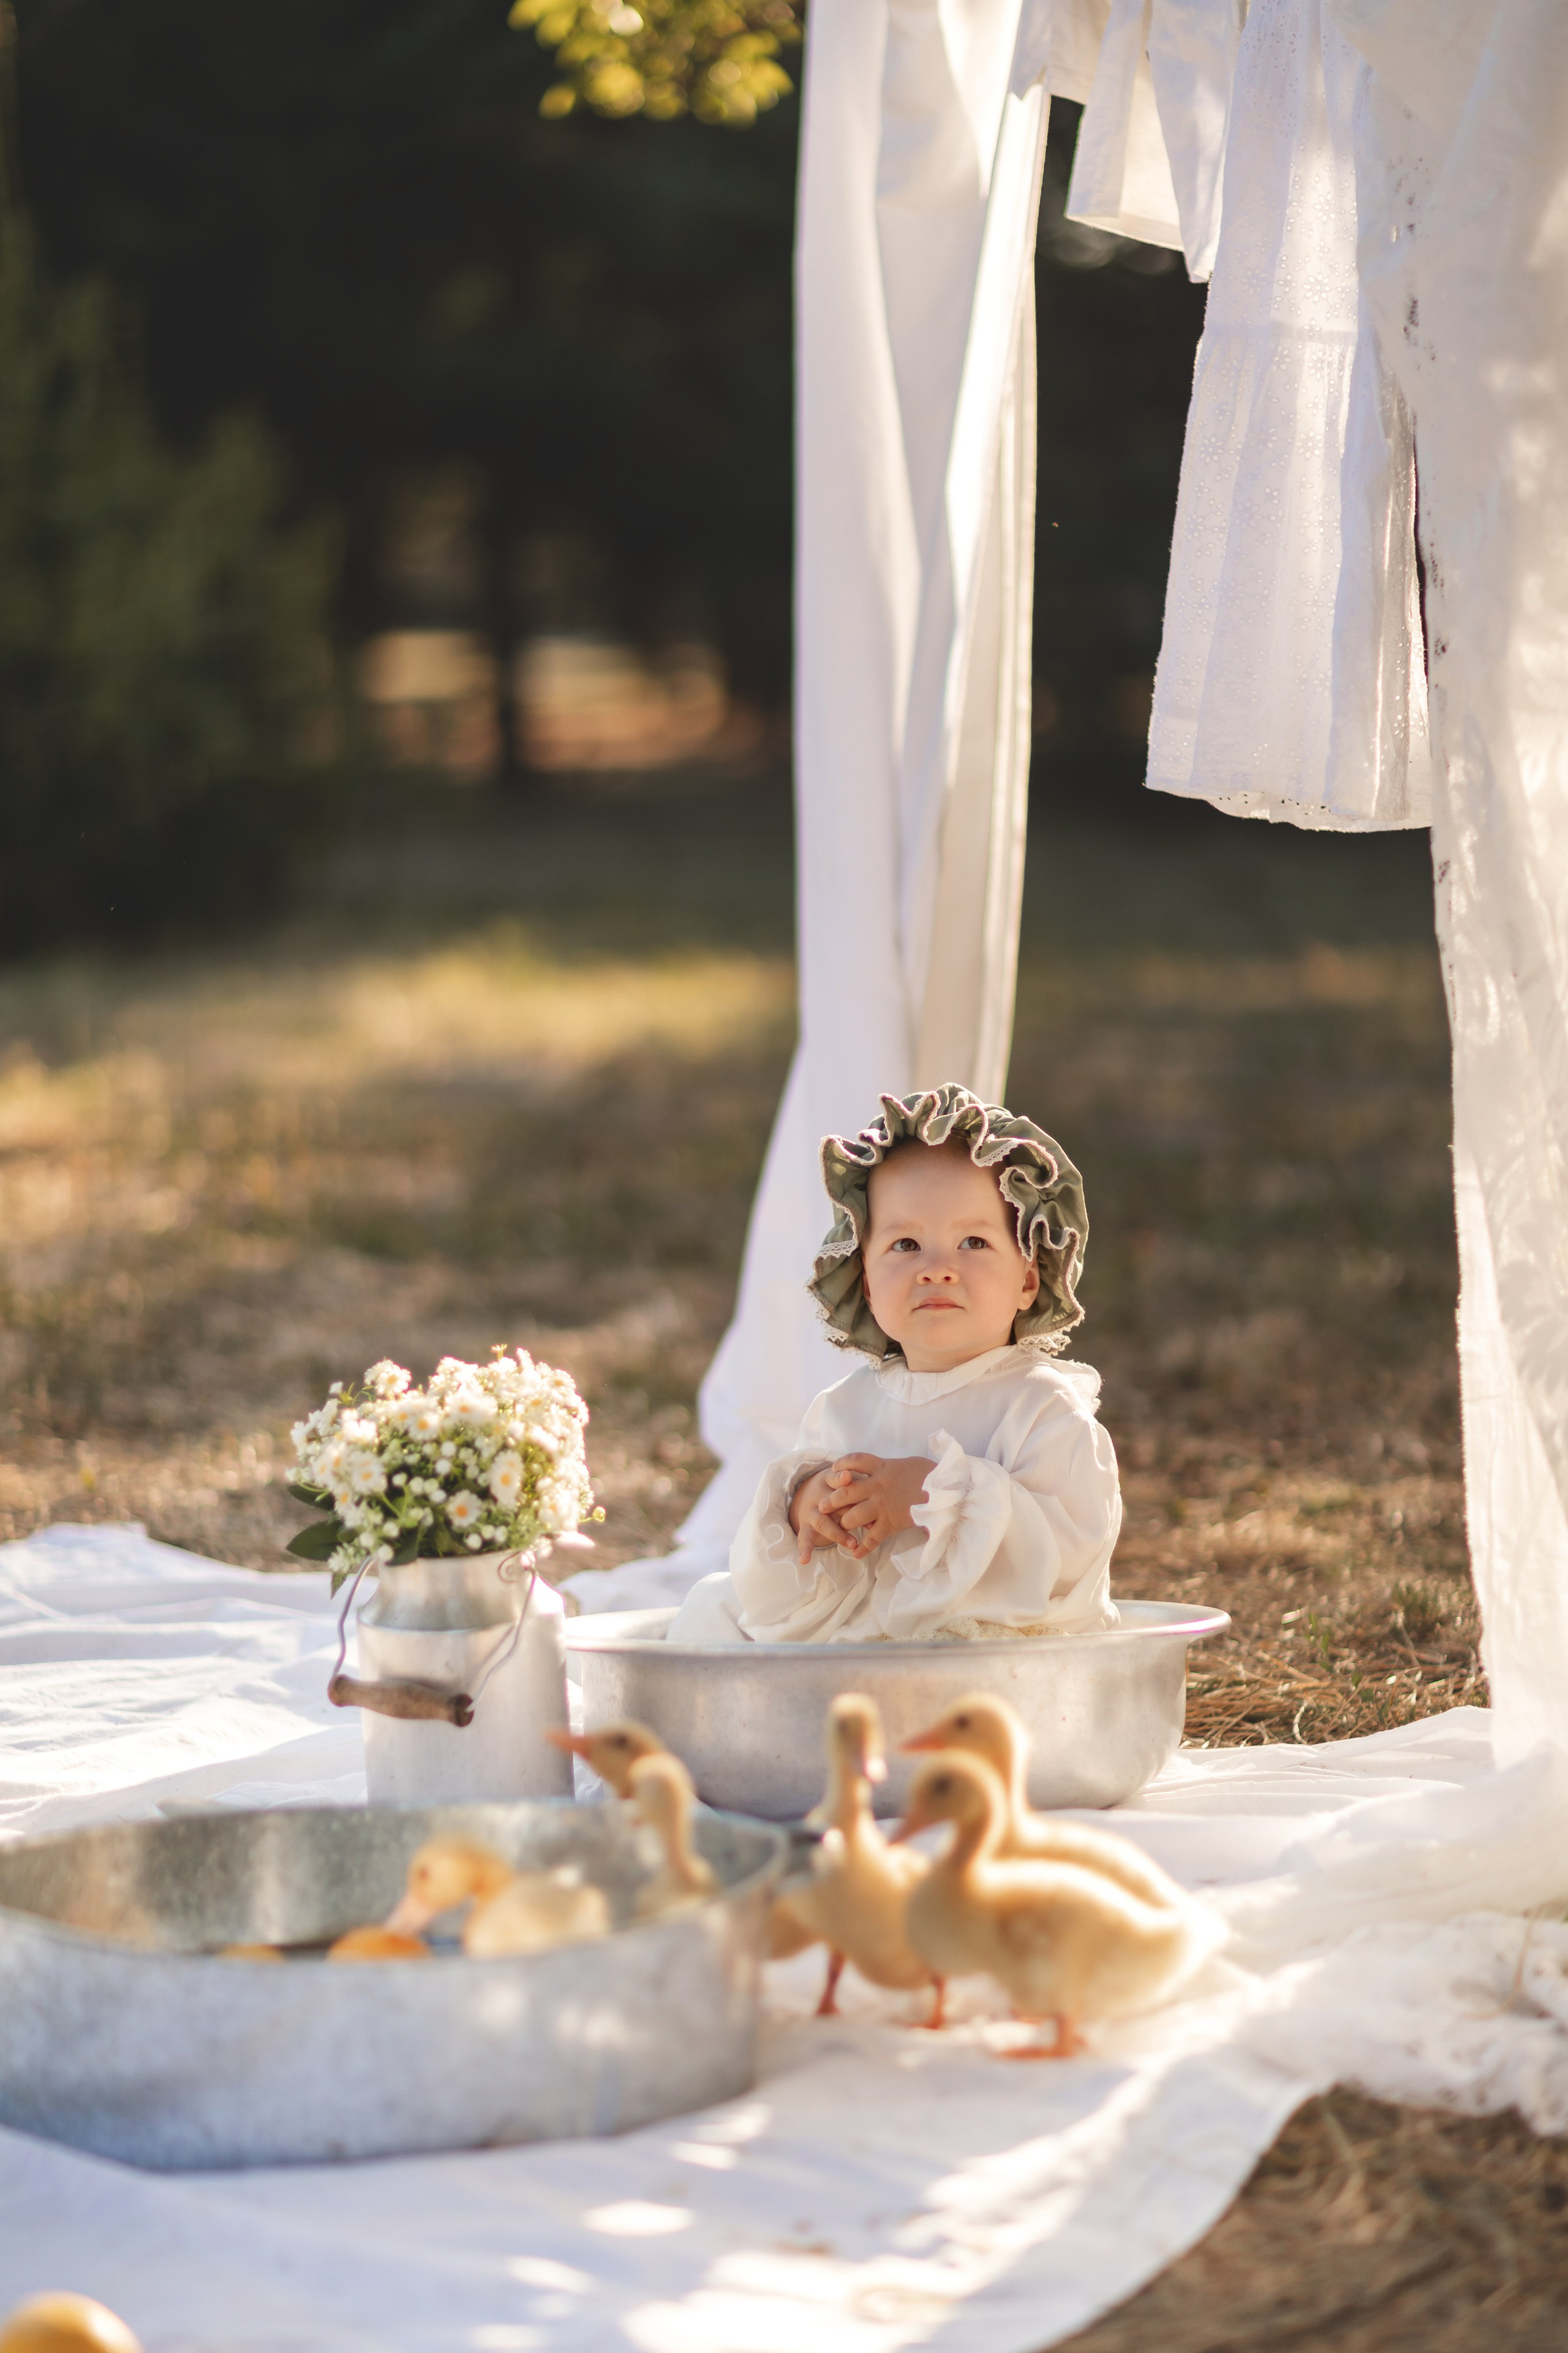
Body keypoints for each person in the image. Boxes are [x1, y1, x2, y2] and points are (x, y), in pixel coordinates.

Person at [667, 1084, 1121, 1645]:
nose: (937, 1268)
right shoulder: (846, 1406)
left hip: (985, 1640)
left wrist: (938, 1495)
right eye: (905, 1244)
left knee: (945, 1650)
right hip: (866, 1633)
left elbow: (1067, 1555)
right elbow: (795, 1578)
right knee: (712, 1605)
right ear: (864, 1280)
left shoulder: (1042, 1407)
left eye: (973, 1242)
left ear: (1029, 1278)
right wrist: (809, 1510)